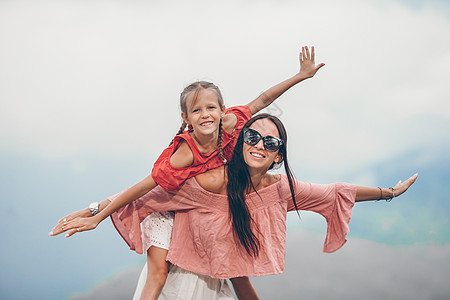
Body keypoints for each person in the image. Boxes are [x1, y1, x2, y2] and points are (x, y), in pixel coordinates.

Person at [50, 46, 325, 299]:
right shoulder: (184, 154)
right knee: (158, 276)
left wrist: (301, 76)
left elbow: (263, 99)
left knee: (234, 271)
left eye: (210, 108)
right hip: (164, 211)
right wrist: (98, 215)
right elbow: (144, 189)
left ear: (222, 110)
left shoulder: (231, 124)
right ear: (186, 118)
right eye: (196, 110)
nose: (205, 115)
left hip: (194, 206)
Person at [52, 114, 417, 299]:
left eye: (270, 142)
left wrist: (388, 193)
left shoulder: (281, 190)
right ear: (240, 141)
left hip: (217, 287)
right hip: (178, 285)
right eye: (252, 137)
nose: (259, 145)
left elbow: (336, 191)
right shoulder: (212, 181)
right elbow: (150, 193)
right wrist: (94, 210)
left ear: (278, 154)